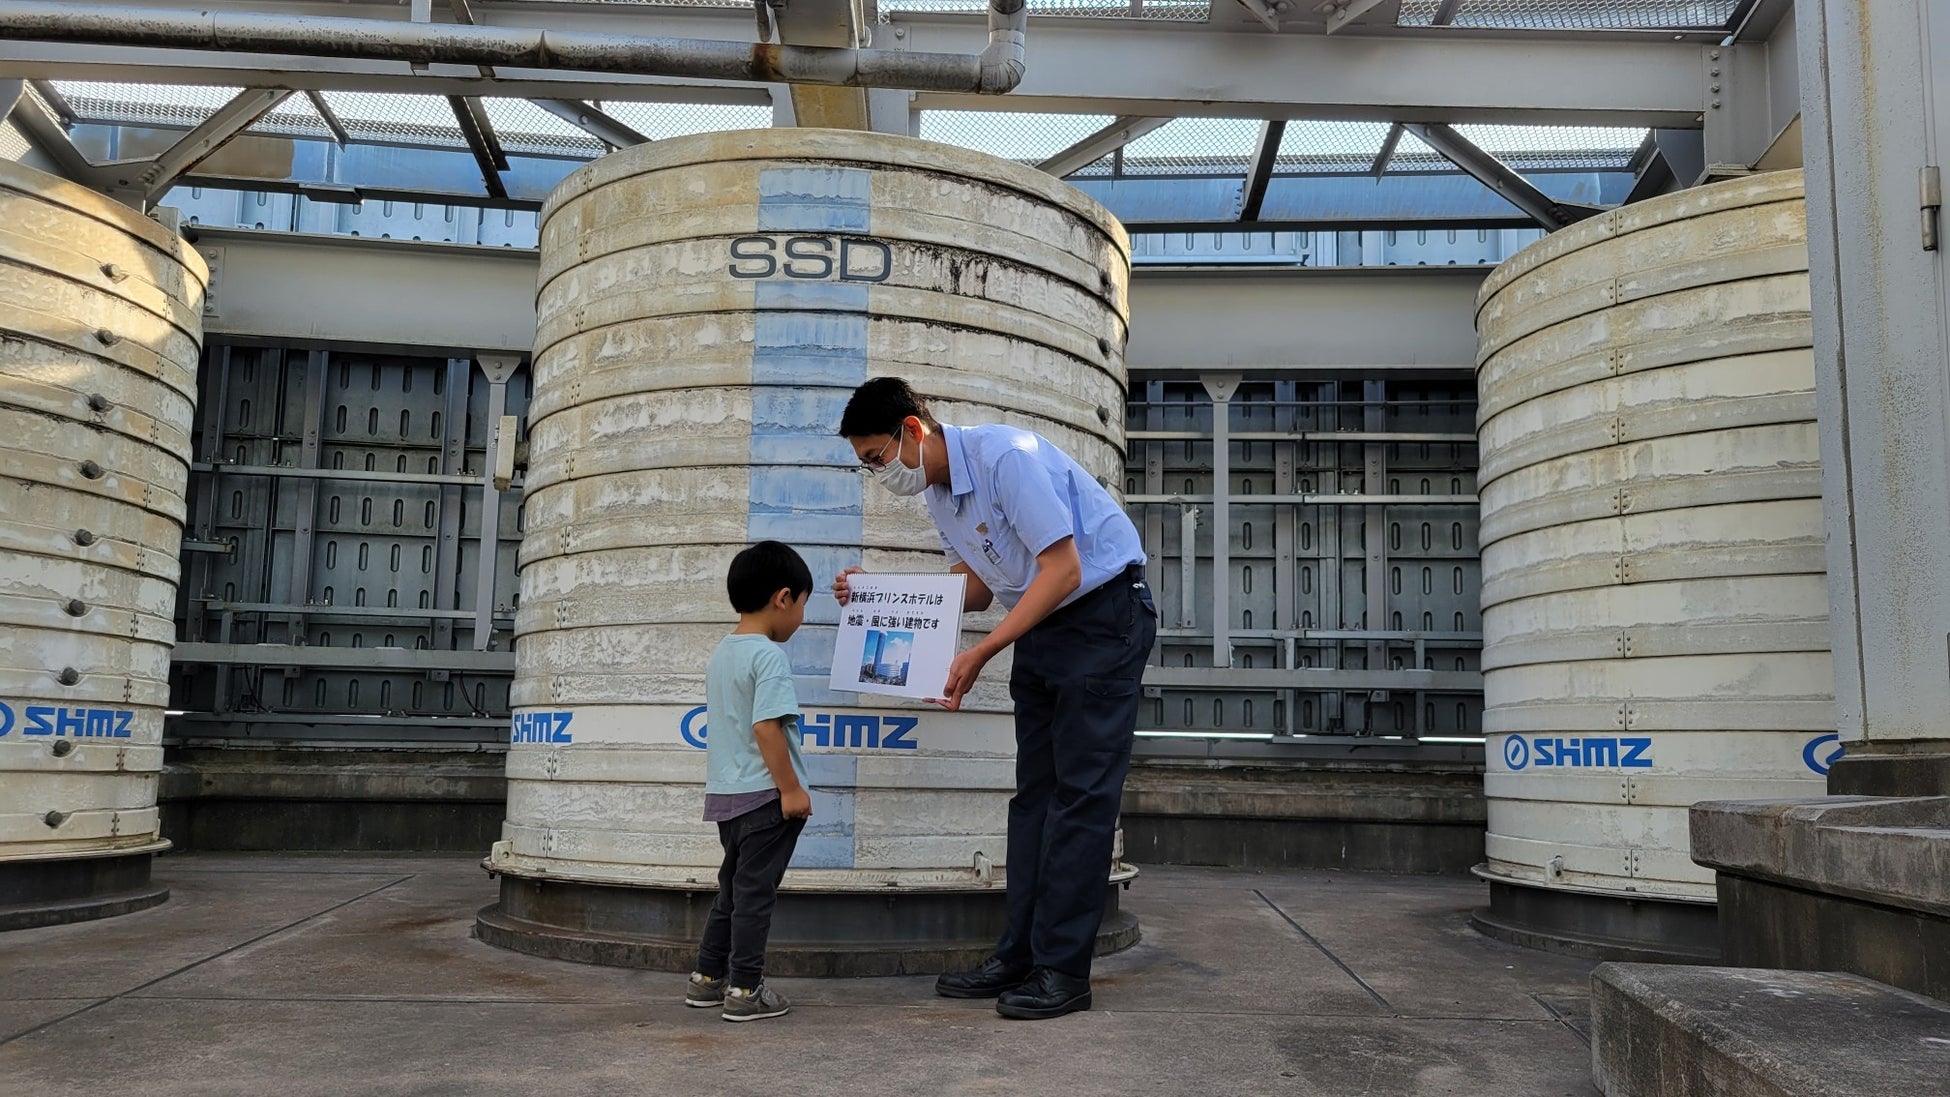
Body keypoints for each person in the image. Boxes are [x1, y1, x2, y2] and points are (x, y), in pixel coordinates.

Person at [833, 377, 1157, 1021]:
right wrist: (881, 591)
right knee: (1034, 796)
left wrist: (982, 652)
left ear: (913, 430)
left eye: (877, 458)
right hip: (1044, 622)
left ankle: (1063, 970)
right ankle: (1020, 954)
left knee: (1081, 797)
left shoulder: (1008, 457)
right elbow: (979, 588)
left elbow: (1061, 567)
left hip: (1101, 616)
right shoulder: (942, 495)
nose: (880, 474)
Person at [685, 539, 815, 1023]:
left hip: (727, 797)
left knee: (733, 892)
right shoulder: (768, 657)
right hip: (766, 798)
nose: (801, 617)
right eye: (803, 604)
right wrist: (791, 790)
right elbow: (766, 727)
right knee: (755, 897)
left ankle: (707, 979)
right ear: (783, 597)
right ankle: (745, 988)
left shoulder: (723, 653)